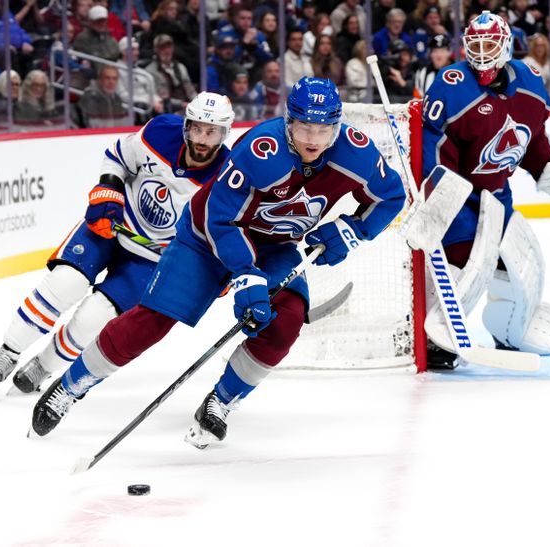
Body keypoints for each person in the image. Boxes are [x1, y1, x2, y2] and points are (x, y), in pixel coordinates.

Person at [29, 77, 408, 445]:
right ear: (289, 120)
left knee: (287, 319)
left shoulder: (357, 152)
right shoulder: (260, 149)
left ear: (337, 127)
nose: (313, 140)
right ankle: (72, 384)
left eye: (323, 130)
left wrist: (356, 229)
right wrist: (246, 274)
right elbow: (219, 217)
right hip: (205, 238)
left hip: (276, 247)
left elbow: (391, 196)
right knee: (153, 319)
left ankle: (222, 401)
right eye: (304, 127)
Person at [0, 92, 234, 393]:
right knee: (65, 282)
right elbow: (117, 157)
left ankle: (42, 367)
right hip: (111, 226)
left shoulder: (224, 177)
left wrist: (217, 270)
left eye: (212, 131)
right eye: (197, 128)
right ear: (186, 126)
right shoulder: (159, 132)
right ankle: (8, 351)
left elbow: (220, 233)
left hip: (152, 259)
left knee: (93, 318)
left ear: (224, 133)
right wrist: (108, 189)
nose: (203, 139)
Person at [420, 11, 550, 369]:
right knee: (464, 262)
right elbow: (430, 153)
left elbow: (533, 144)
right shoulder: (450, 86)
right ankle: (435, 339)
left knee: (520, 267)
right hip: (458, 198)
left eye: (489, 43)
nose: (481, 53)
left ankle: (510, 331)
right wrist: (439, 202)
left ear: (506, 45)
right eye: (474, 45)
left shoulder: (529, 85)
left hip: (496, 197)